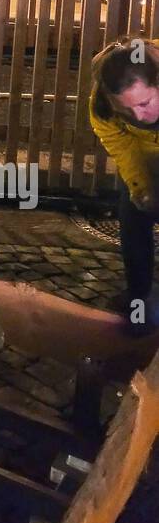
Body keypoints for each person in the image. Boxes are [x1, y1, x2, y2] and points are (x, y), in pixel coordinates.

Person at [89, 39, 159, 328]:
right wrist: (143, 192)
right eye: (128, 110)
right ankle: (139, 297)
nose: (140, 116)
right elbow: (123, 149)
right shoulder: (103, 107)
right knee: (132, 215)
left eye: (145, 103)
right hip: (148, 159)